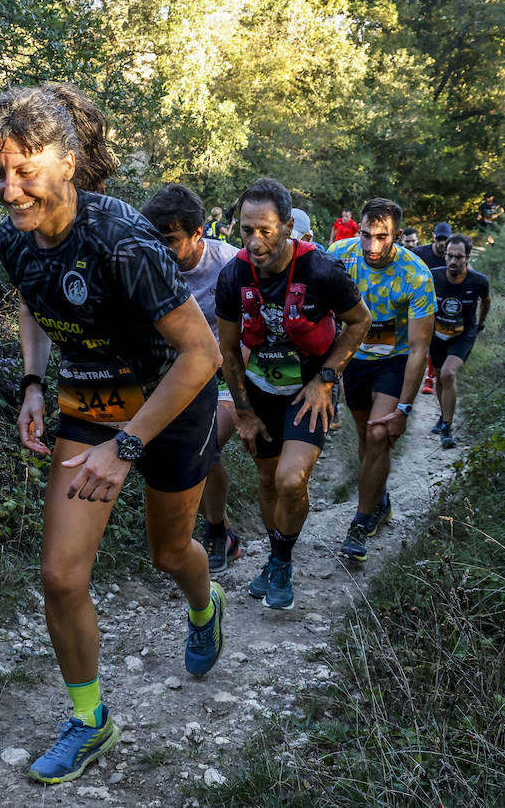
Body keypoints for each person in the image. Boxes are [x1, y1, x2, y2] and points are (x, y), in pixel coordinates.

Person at [0, 83, 225, 785]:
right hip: (89, 401)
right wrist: (31, 380)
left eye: (25, 169)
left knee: (169, 553)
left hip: (172, 406)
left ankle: (205, 605)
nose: (10, 188)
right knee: (60, 575)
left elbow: (205, 354)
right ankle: (90, 720)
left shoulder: (122, 238)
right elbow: (31, 297)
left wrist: (127, 444)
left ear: (69, 162)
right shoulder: (11, 237)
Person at [215, 178, 370, 609]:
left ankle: (281, 561)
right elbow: (228, 349)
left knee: (290, 478)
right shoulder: (234, 275)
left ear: (287, 226)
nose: (255, 240)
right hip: (260, 387)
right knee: (267, 479)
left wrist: (326, 379)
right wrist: (242, 412)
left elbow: (359, 322)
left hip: (308, 390)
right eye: (247, 230)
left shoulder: (320, 269)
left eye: (265, 230)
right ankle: (277, 557)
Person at [141, 184, 244, 573]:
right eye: (156, 240)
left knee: (206, 445)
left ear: (198, 232)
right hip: (175, 375)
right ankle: (215, 529)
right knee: (185, 454)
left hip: (225, 374)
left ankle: (215, 532)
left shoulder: (231, 263)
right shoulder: (148, 264)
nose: (161, 250)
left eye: (170, 240)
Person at [329, 197, 435, 563]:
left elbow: (421, 349)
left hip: (395, 359)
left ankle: (359, 523)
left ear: (398, 235)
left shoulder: (416, 274)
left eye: (382, 237)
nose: (371, 246)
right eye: (365, 235)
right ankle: (379, 499)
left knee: (378, 432)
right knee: (366, 436)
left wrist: (404, 408)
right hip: (353, 357)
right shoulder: (340, 255)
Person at [429, 234, 491, 448]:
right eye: (450, 256)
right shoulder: (433, 277)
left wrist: (480, 324)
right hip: (437, 334)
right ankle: (444, 414)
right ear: (444, 255)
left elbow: (486, 300)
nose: (453, 261)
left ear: (467, 258)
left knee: (448, 373)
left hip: (463, 334)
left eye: (458, 257)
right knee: (439, 379)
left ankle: (447, 426)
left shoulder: (478, 281)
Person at [413, 221, 451, 394]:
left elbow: (467, 270)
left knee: (435, 342)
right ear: (434, 237)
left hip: (442, 303)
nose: (443, 242)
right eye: (440, 238)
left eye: (446, 239)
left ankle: (429, 379)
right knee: (418, 342)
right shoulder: (420, 252)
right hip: (420, 302)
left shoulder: (452, 255)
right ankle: (412, 375)